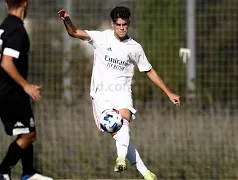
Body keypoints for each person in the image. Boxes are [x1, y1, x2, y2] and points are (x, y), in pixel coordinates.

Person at [58, 6, 180, 180]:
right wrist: (66, 20)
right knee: (117, 131)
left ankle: (121, 158)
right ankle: (145, 172)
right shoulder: (102, 37)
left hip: (122, 91)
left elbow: (149, 70)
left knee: (123, 120)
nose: (122, 28)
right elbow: (75, 32)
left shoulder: (135, 48)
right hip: (101, 94)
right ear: (112, 24)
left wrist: (169, 93)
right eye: (118, 24)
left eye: (125, 25)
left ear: (129, 24)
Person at [0, 0, 53, 180]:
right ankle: (3, 170)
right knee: (28, 136)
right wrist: (26, 85)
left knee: (26, 131)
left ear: (6, 4)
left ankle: (28, 172)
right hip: (11, 92)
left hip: (9, 91)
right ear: (25, 3)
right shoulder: (17, 30)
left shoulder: (6, 25)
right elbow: (6, 62)